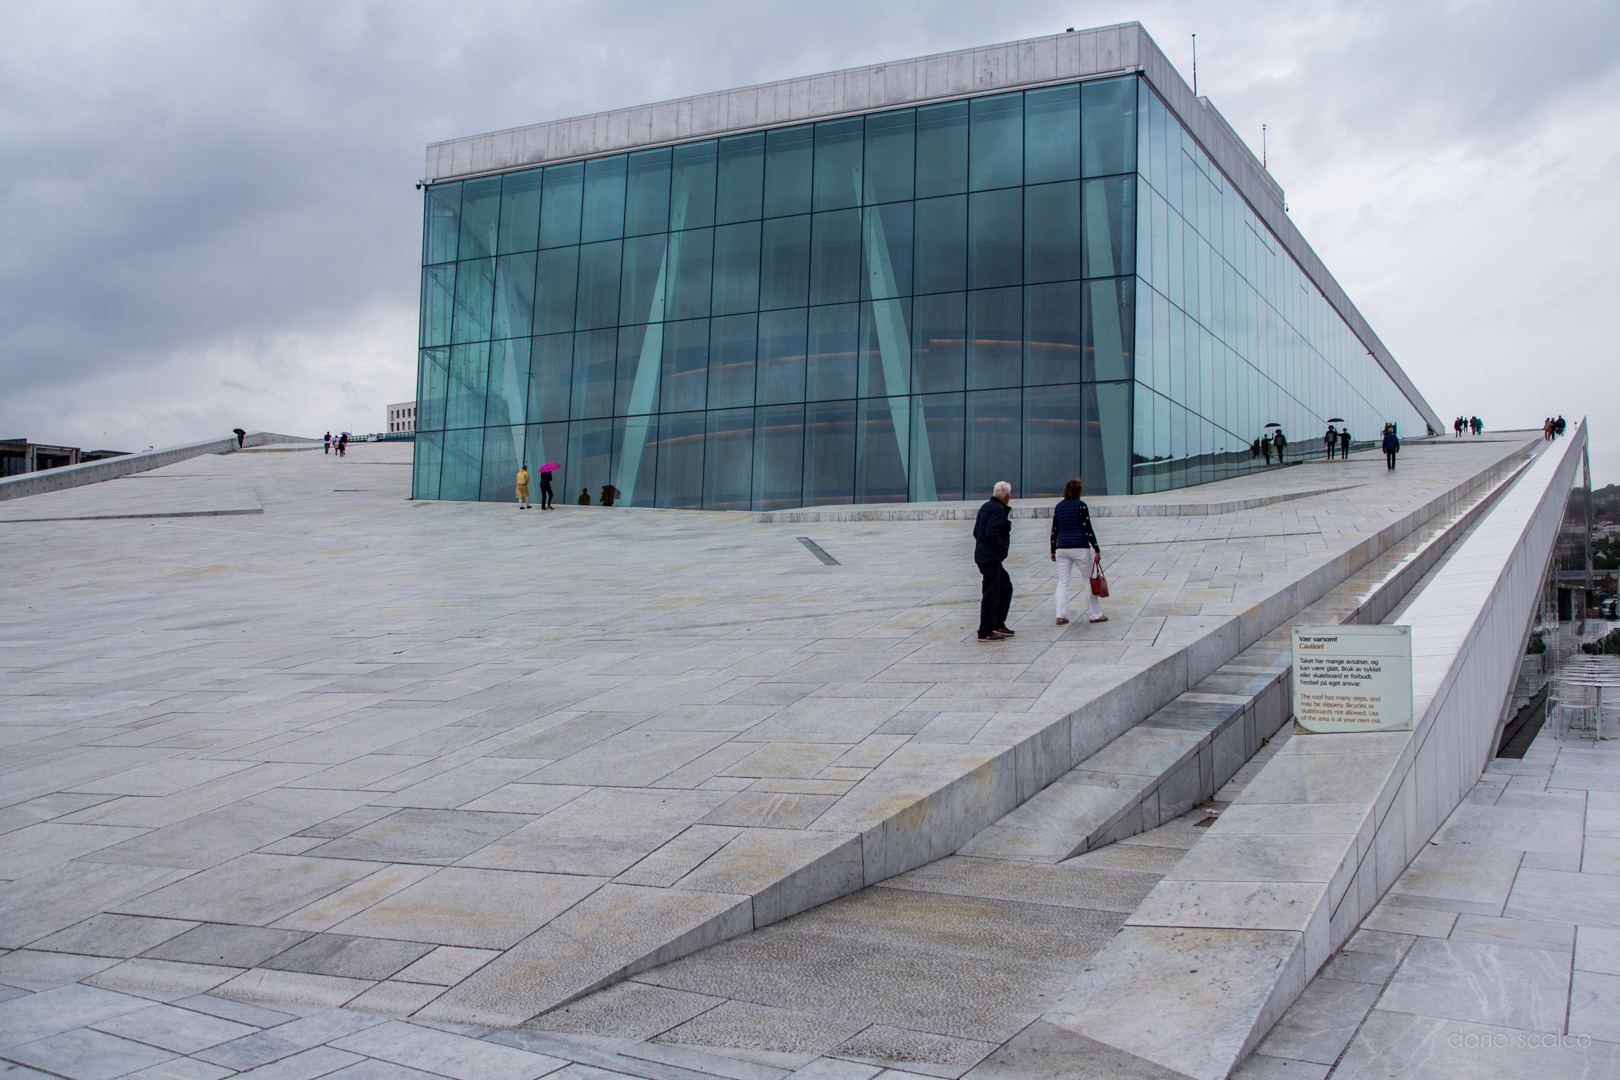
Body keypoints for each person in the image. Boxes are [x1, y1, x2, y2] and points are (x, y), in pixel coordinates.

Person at [1050, 478, 1105, 625]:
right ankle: (1095, 614)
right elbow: (1087, 528)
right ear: (1079, 491)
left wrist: (1053, 550)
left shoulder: (1058, 507)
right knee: (1089, 580)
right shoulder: (1081, 506)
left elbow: (1055, 530)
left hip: (1062, 548)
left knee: (1063, 582)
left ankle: (1060, 615)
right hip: (1079, 547)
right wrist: (1096, 548)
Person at [972, 481, 1015, 642]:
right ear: (1007, 496)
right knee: (991, 593)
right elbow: (991, 532)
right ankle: (985, 631)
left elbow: (976, 532)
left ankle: (998, 623)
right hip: (990, 558)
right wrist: (1002, 549)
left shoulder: (986, 507)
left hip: (985, 556)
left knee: (1005, 587)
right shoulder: (998, 509)